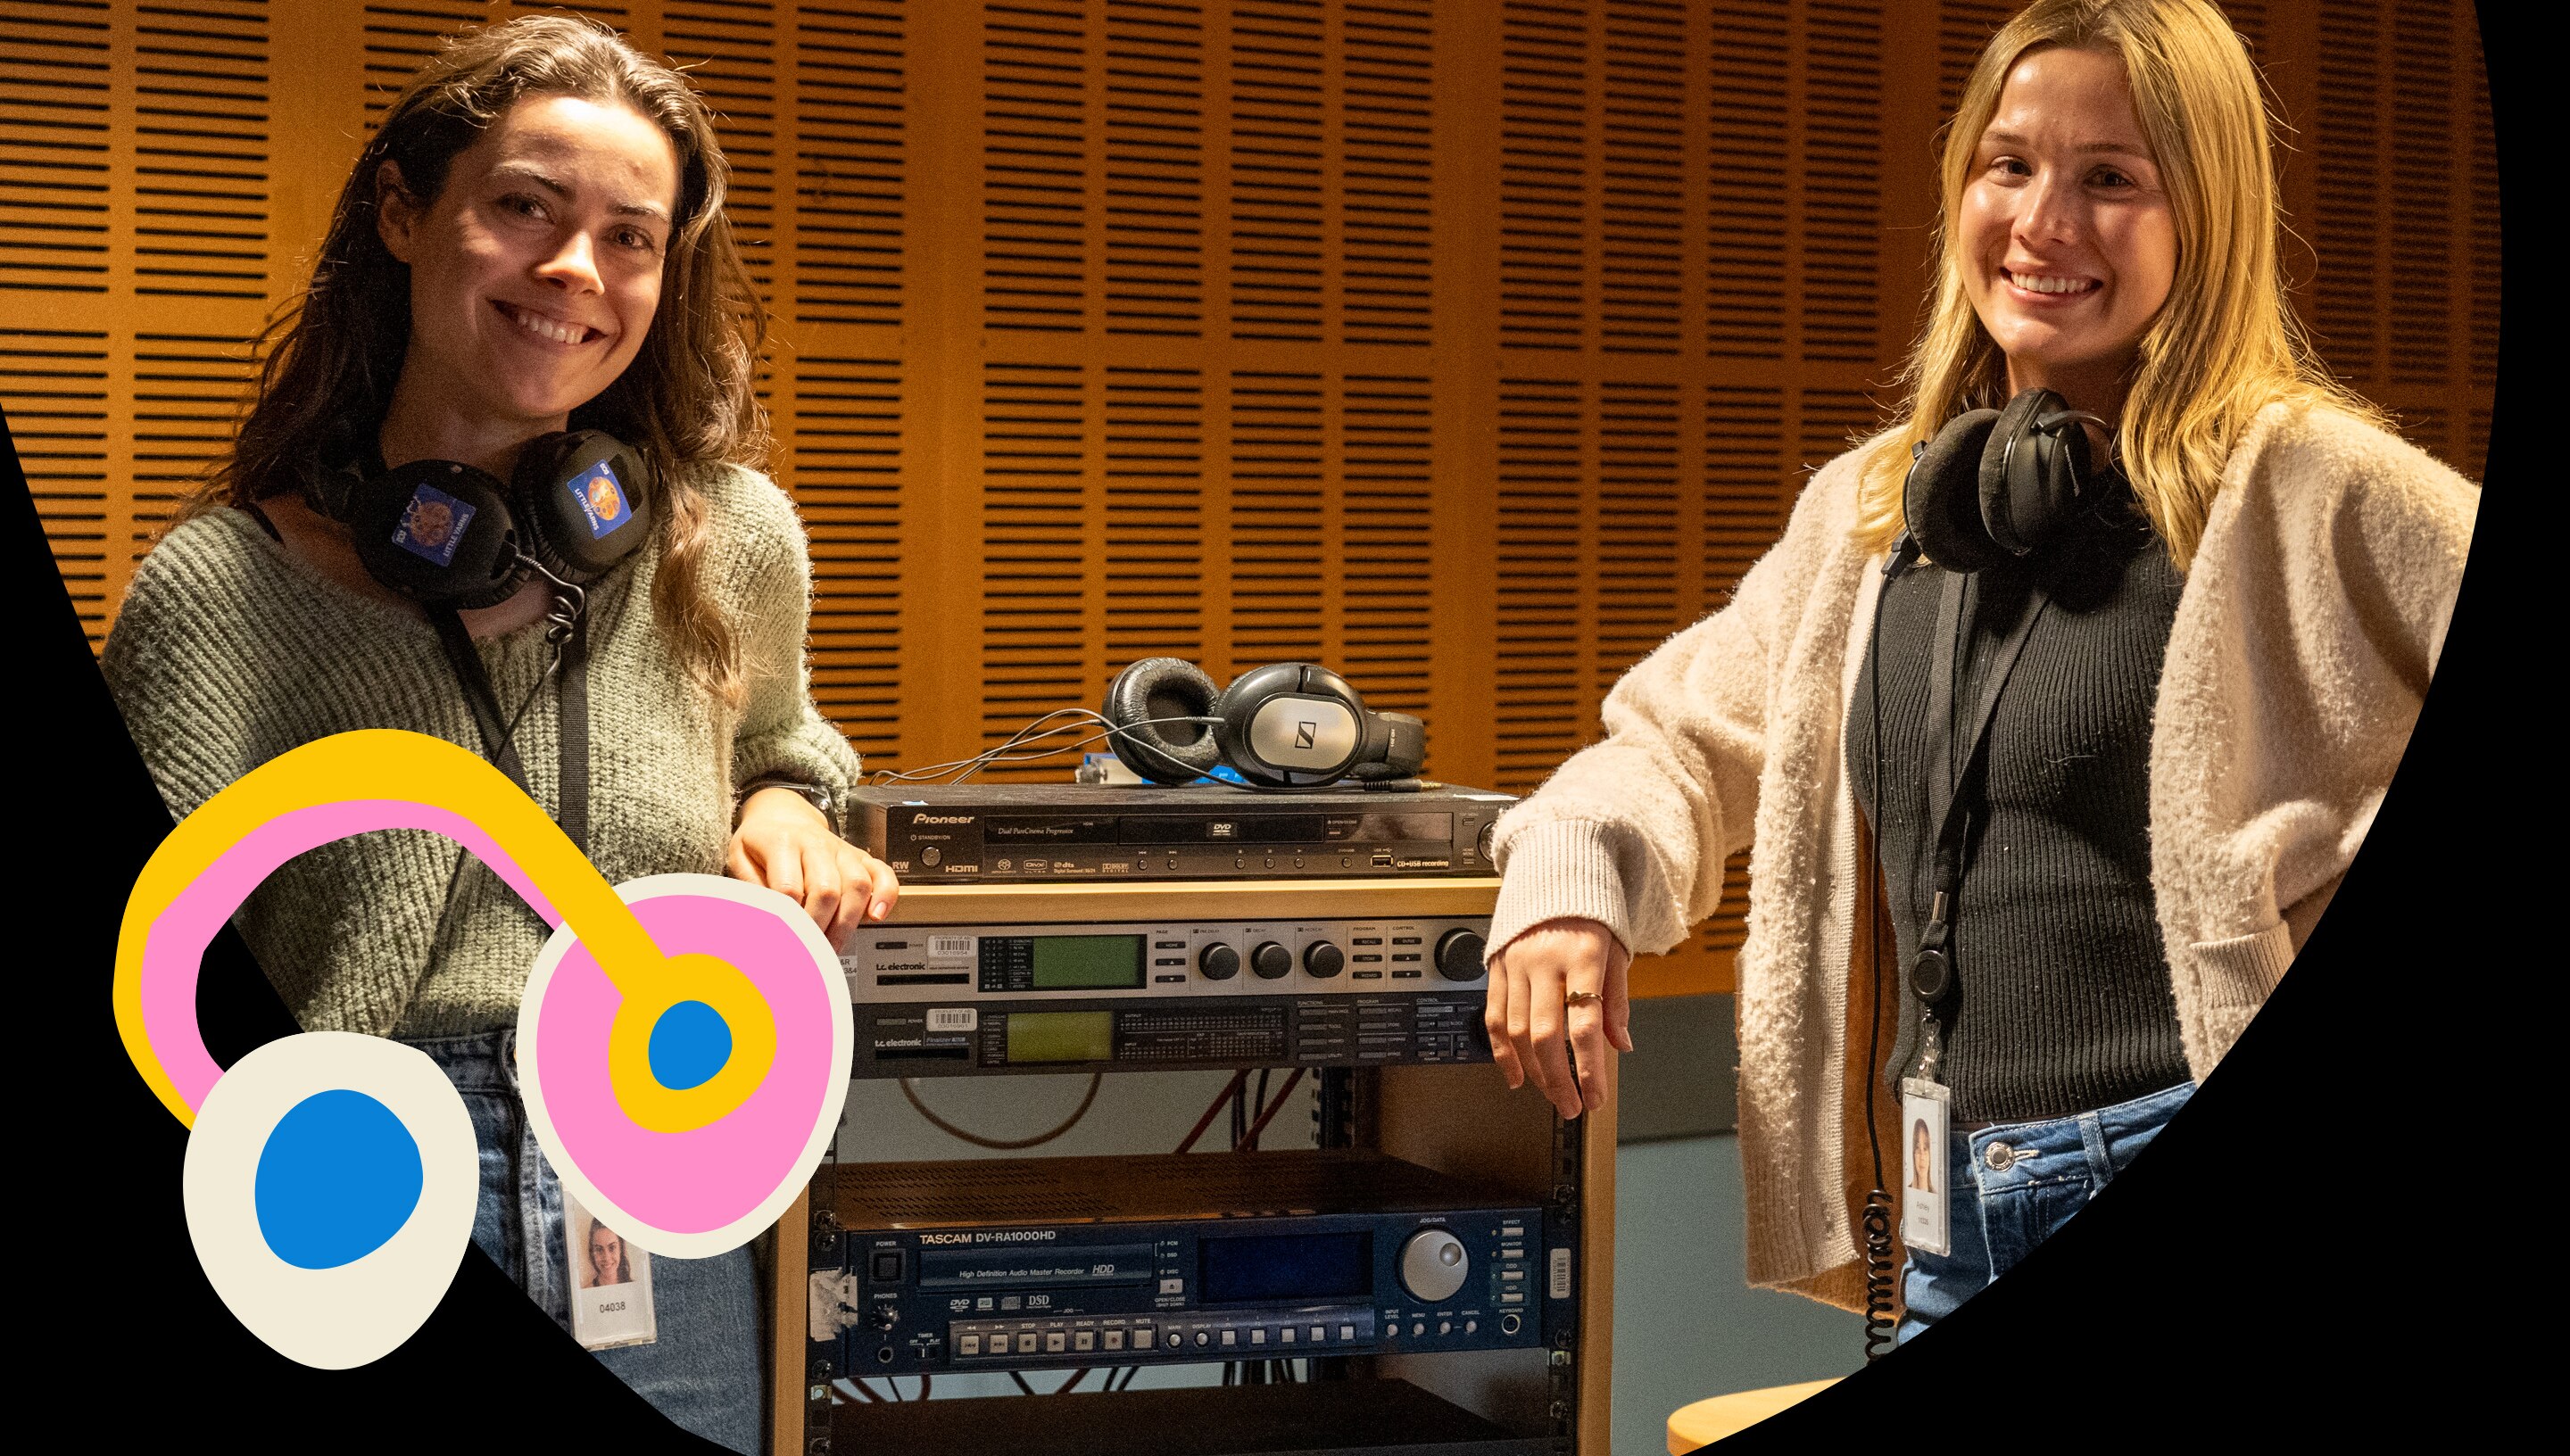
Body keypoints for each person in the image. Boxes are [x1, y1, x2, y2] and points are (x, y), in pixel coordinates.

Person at [1478, 0, 2476, 1342]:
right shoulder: (1877, 517)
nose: (2043, 223)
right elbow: (1674, 743)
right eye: (2009, 165)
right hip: (1944, 1209)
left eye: (2110, 179)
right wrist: (1566, 896)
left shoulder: (2306, 488)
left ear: (2211, 217)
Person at [99, 15, 900, 1448]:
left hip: (653, 1172)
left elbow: (781, 739)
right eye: (526, 206)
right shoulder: (224, 590)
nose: (576, 271)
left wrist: (788, 806)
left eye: (629, 238)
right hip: (353, 1170)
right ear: (407, 216)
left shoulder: (734, 547)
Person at [588, 1220, 634, 1290]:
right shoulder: (586, 1292)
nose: (606, 1257)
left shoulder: (636, 1288)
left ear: (621, 1249)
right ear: (592, 1253)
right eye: (599, 1249)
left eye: (612, 1248)